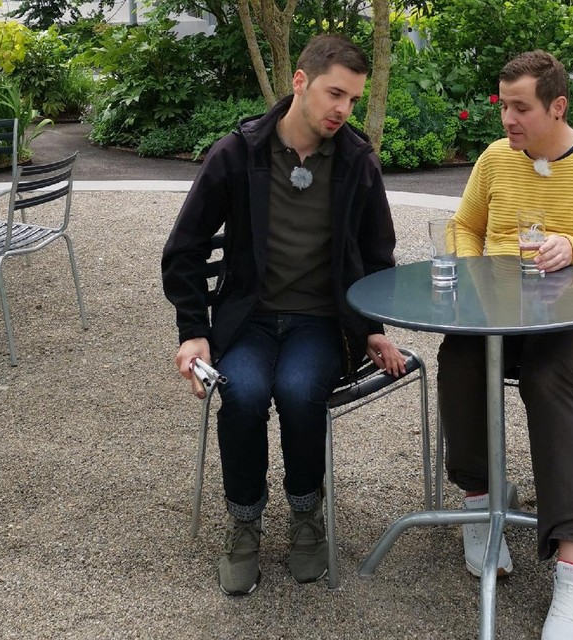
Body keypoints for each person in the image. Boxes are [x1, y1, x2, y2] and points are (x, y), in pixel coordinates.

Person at [161, 34, 405, 597]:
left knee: (298, 391)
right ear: (300, 81)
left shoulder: (357, 161)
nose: (342, 109)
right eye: (333, 93)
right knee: (242, 392)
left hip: (320, 323)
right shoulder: (238, 154)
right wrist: (193, 332)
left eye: (352, 99)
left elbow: (377, 253)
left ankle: (304, 515)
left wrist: (371, 328)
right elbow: (185, 247)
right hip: (248, 319)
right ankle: (244, 523)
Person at [437, 50, 573, 639]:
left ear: (557, 107)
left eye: (520, 107)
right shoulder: (495, 161)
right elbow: (465, 226)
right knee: (458, 352)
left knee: (546, 379)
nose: (507, 119)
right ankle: (482, 505)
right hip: (501, 310)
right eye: (503, 105)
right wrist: (473, 267)